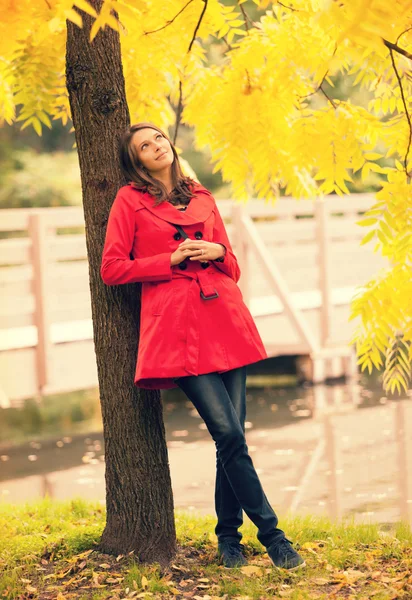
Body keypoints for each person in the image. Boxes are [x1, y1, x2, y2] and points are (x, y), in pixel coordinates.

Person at [100, 122, 305, 571]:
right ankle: (274, 538)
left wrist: (215, 250)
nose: (157, 147)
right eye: (144, 146)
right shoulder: (129, 201)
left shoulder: (203, 196)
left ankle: (228, 540)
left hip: (225, 320)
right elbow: (112, 267)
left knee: (233, 440)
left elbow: (232, 266)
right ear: (135, 161)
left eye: (158, 139)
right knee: (228, 434)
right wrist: (168, 260)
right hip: (178, 330)